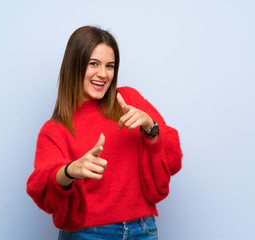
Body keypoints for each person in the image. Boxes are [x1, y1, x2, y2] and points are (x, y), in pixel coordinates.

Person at [26, 26, 183, 240]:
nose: (103, 74)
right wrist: (71, 170)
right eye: (93, 64)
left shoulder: (128, 100)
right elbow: (42, 191)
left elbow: (172, 161)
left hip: (142, 230)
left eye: (110, 66)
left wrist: (151, 128)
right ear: (74, 65)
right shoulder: (55, 129)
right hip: (88, 234)